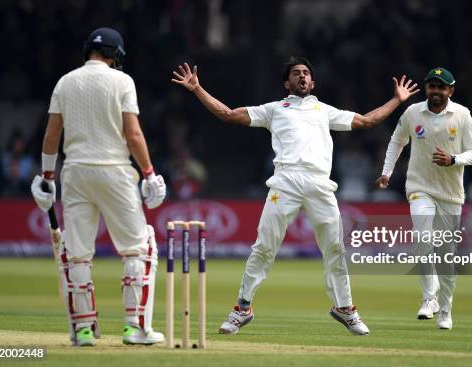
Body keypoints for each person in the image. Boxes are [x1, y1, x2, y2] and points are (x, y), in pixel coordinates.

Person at [171, 56, 419, 335]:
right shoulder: (274, 109)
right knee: (263, 247)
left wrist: (397, 99)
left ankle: (345, 308)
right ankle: (242, 308)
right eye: (295, 73)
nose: (301, 76)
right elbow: (228, 114)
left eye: (306, 73)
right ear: (286, 82)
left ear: (312, 82)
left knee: (335, 249)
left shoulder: (325, 110)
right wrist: (196, 89)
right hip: (285, 183)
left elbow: (366, 121)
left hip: (320, 185)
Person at [30, 27, 167, 346]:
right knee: (138, 248)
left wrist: (47, 177)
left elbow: (52, 136)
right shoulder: (123, 81)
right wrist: (148, 173)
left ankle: (83, 330)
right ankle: (135, 328)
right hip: (115, 172)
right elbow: (133, 134)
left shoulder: (65, 81)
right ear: (116, 55)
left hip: (75, 173)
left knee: (77, 254)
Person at [375, 67, 472, 330]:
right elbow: (396, 141)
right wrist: (386, 172)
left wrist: (454, 159)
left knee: (446, 255)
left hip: (451, 194)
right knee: (422, 237)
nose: (435, 91)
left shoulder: (462, 115)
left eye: (441, 87)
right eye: (432, 87)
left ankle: (445, 310)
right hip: (420, 188)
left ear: (450, 91)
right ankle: (428, 298)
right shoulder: (412, 113)